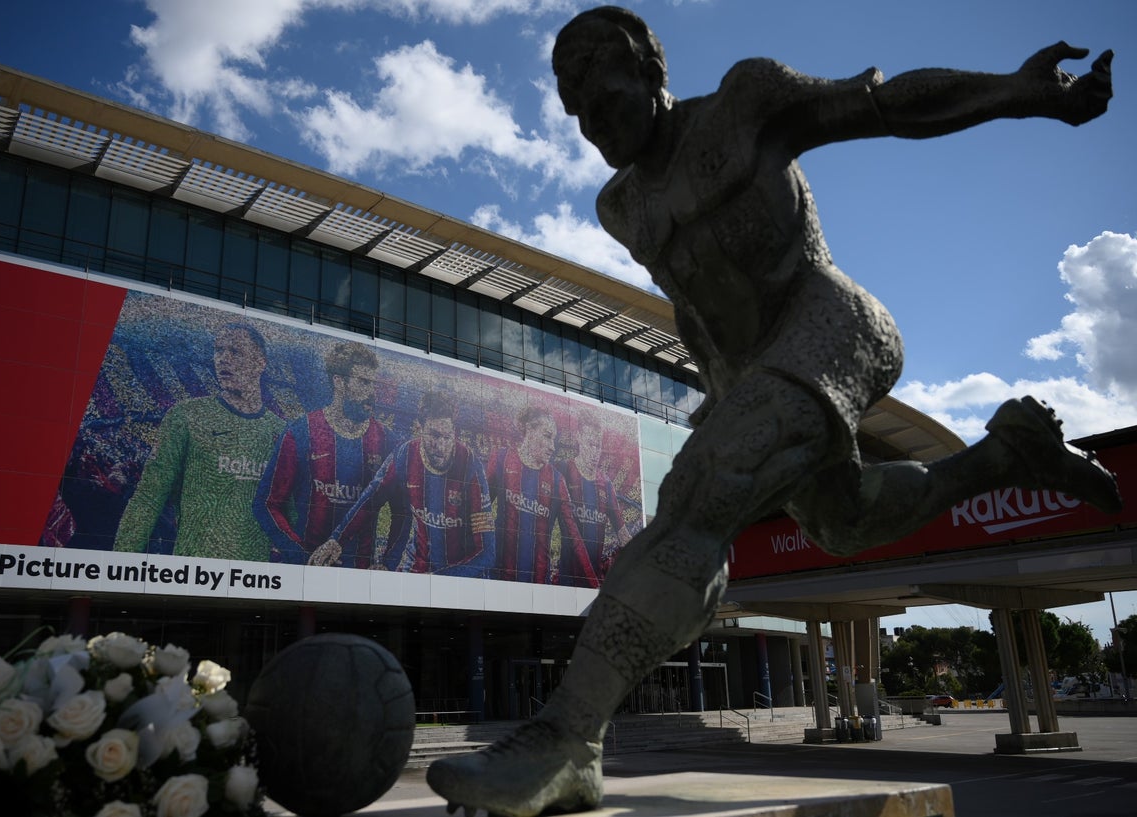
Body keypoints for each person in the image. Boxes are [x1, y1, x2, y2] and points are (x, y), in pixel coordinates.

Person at [426, 7, 1121, 816]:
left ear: (652, 76)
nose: (595, 127)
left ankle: (568, 739)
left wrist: (1020, 92)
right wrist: (722, 400)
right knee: (845, 521)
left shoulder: (743, 105)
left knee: (693, 502)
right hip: (755, 370)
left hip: (832, 324)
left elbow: (890, 104)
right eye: (579, 117)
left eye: (608, 101)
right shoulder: (621, 207)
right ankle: (1005, 454)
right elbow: (698, 307)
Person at [114, 322, 284, 561]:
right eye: (218, 350)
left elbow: (290, 513)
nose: (223, 358)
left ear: (260, 363)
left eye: (235, 351)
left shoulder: (280, 431)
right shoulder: (186, 416)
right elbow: (148, 497)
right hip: (194, 572)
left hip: (254, 579)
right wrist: (119, 562)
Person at [308, 390, 495, 574]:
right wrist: (336, 539)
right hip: (419, 567)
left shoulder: (470, 466)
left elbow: (486, 553)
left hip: (460, 574)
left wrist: (440, 581)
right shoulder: (405, 455)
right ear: (419, 428)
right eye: (434, 436)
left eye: (447, 437)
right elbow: (370, 500)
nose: (441, 446)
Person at [254, 342, 395, 564]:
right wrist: (298, 554)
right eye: (364, 382)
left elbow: (404, 510)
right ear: (339, 382)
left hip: (361, 577)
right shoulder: (301, 431)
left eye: (374, 384)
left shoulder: (387, 440)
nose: (372, 392)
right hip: (306, 570)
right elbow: (266, 503)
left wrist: (387, 563)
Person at [486, 406, 598, 588]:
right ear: (529, 429)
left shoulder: (556, 480)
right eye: (547, 436)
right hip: (499, 583)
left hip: (538, 589)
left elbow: (575, 537)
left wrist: (595, 585)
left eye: (554, 439)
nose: (552, 447)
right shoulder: (501, 458)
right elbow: (476, 514)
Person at [555, 410, 634, 583]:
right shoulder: (562, 470)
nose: (594, 452)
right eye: (590, 444)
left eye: (597, 446)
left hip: (595, 582)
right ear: (579, 438)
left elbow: (623, 534)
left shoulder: (606, 484)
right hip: (565, 580)